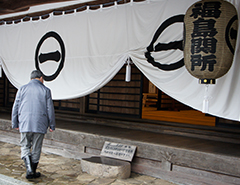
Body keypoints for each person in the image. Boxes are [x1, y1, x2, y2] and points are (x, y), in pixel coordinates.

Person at [11, 70, 56, 179]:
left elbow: (15, 107)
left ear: (31, 78)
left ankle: (29, 170)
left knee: (25, 145)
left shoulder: (22, 89)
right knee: (36, 147)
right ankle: (32, 171)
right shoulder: (46, 90)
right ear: (40, 78)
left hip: (25, 122)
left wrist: (15, 122)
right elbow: (50, 109)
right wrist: (52, 125)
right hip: (40, 124)